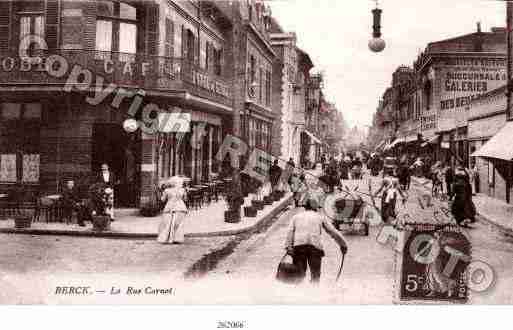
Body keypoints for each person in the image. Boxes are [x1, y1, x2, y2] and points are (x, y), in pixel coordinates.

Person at [284, 195, 348, 284]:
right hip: (315, 248)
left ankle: (298, 293)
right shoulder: (320, 217)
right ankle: (314, 292)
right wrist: (343, 245)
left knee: (299, 274)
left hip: (299, 247)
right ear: (316, 208)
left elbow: (290, 232)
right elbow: (333, 232)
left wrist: (288, 247)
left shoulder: (296, 217)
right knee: (315, 275)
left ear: (305, 207)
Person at [157, 176, 188, 244]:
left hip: (169, 207)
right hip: (180, 207)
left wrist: (160, 194)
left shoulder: (167, 190)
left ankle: (167, 238)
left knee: (167, 223)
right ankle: (177, 238)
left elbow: (163, 200)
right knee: (178, 224)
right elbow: (185, 199)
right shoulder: (182, 190)